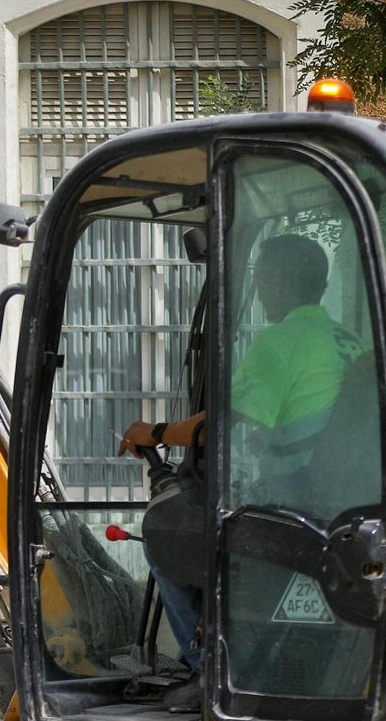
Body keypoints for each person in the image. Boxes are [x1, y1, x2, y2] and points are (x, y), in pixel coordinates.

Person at [118, 233, 355, 675]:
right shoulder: (344, 338)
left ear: (281, 280)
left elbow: (220, 426)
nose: (260, 289)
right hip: (338, 508)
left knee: (165, 533)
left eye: (261, 278)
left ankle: (209, 668)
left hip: (297, 510)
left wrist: (154, 432)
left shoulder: (282, 342)